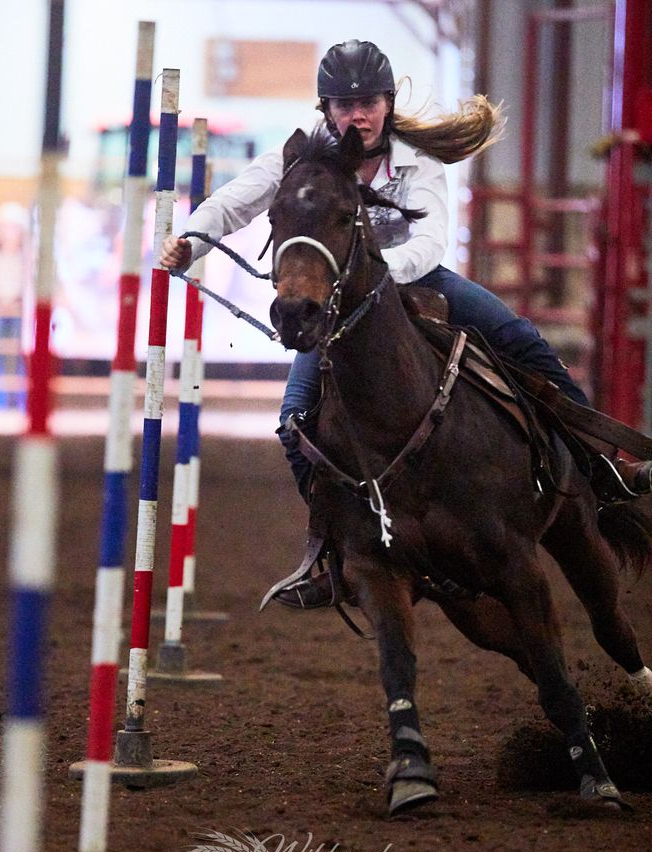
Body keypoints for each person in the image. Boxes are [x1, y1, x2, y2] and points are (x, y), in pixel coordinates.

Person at [161, 39, 652, 607]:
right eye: (344, 105)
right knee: (295, 419)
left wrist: (374, 275)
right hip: (343, 306)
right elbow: (232, 204)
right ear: (326, 111)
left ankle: (605, 468)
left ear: (388, 103)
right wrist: (191, 242)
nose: (358, 114)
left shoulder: (418, 159)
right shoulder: (302, 163)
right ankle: (333, 549)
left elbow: (429, 243)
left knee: (521, 339)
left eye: (367, 101)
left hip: (417, 281)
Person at [0, 202, 30, 409]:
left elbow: (25, 281)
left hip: (18, 309)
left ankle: (22, 402)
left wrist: (13, 300)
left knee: (20, 356)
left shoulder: (26, 257)